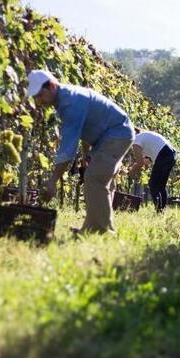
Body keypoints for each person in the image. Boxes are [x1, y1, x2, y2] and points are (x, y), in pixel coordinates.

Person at [26, 69, 133, 234]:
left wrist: (53, 181)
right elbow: (86, 128)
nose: (39, 101)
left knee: (94, 178)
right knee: (100, 178)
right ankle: (92, 227)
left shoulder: (70, 103)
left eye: (40, 95)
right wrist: (86, 155)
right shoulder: (66, 98)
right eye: (36, 97)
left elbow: (69, 146)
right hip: (110, 135)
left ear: (52, 86)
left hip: (117, 133)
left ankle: (102, 231)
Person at [130, 128, 177, 211]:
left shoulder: (136, 140)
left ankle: (159, 210)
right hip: (171, 154)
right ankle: (162, 210)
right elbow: (146, 161)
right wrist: (137, 168)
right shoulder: (144, 136)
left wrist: (132, 170)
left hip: (164, 155)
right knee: (161, 185)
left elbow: (140, 163)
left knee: (153, 184)